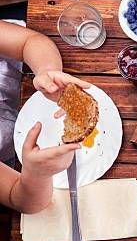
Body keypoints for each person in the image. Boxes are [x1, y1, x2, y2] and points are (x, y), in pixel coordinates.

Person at [0, 20, 91, 214]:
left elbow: (29, 42)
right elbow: (19, 200)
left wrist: (47, 71)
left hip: (23, 82)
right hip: (19, 165)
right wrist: (37, 174)